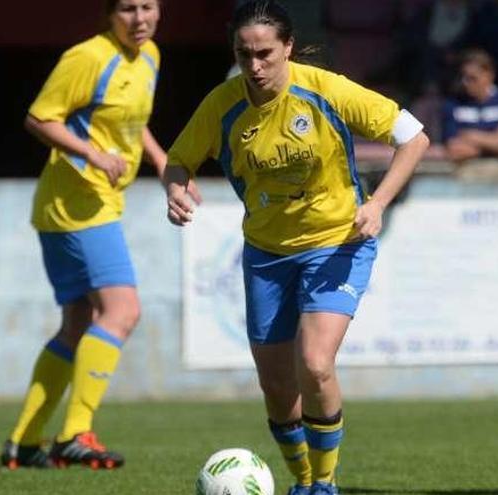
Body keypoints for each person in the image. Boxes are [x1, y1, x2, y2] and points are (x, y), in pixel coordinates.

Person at [161, 2, 429, 494]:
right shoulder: (223, 104)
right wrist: (175, 188)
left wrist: (379, 204)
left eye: (265, 53)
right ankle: (303, 482)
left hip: (336, 242)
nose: (256, 65)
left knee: (314, 363)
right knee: (278, 386)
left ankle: (324, 484)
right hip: (265, 253)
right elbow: (178, 160)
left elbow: (413, 138)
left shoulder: (325, 89)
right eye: (245, 55)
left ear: (287, 47)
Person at [1, 0, 200, 470]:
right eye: (128, 9)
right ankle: (74, 433)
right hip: (78, 206)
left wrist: (159, 158)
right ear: (110, 15)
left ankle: (24, 443)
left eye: (147, 6)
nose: (140, 18)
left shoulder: (149, 56)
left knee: (76, 324)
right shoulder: (88, 56)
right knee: (122, 310)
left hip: (81, 207)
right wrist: (93, 155)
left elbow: (128, 122)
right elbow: (39, 118)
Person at [442, 48, 498, 163]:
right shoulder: (452, 104)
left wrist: (471, 137)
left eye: (472, 78)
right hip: (465, 176)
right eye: (463, 77)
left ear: (489, 75)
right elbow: (454, 149)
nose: (465, 83)